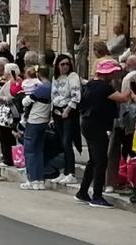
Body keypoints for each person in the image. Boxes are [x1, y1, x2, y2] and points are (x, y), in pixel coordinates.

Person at [76, 59, 136, 208]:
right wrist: (132, 91)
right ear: (107, 74)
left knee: (93, 159)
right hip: (97, 126)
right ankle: (97, 195)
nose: (114, 76)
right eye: (113, 73)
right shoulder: (104, 88)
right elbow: (122, 98)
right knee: (101, 161)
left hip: (87, 123)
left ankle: (83, 191)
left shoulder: (89, 85)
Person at [52, 54, 82, 184]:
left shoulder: (73, 77)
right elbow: (52, 95)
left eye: (67, 64)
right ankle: (64, 170)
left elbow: (76, 95)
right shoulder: (55, 77)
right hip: (56, 111)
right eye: (62, 64)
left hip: (68, 111)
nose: (65, 67)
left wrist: (68, 110)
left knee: (67, 142)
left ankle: (71, 172)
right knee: (61, 142)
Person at [20, 70, 52, 190]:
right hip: (44, 121)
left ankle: (32, 179)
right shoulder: (51, 88)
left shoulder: (41, 89)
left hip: (33, 122)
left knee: (30, 152)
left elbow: (26, 102)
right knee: (39, 152)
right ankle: (39, 180)